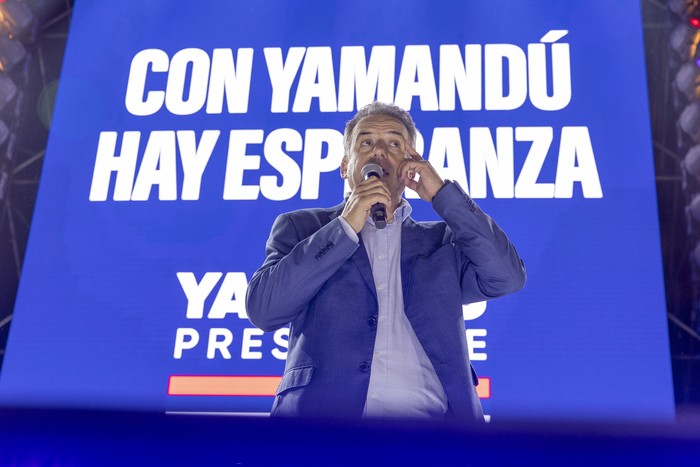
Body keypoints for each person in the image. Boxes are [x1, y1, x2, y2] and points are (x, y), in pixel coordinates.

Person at [245, 101, 525, 422]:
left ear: (409, 166)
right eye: (366, 142)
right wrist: (345, 226)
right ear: (345, 166)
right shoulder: (302, 228)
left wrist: (442, 194)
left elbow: (507, 276)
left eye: (394, 143)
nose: (379, 151)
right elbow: (263, 310)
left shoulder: (443, 242)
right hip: (321, 434)